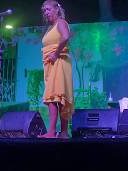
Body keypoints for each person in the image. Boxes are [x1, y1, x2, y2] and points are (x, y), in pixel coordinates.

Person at [39, 0, 74, 138]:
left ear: (56, 10)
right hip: (52, 64)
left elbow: (65, 37)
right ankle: (63, 132)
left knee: (53, 97)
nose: (46, 13)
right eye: (44, 11)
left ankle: (52, 131)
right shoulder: (50, 27)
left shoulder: (61, 22)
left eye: (48, 9)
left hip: (59, 62)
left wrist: (56, 53)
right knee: (57, 96)